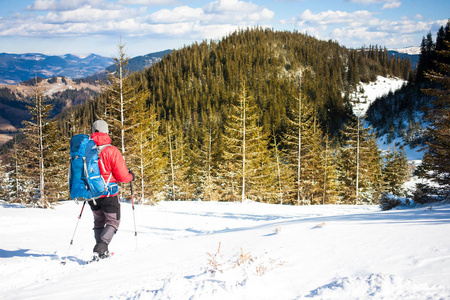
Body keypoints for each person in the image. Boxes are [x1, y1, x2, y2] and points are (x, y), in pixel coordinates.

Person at [89, 120, 134, 259]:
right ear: (106, 132)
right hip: (109, 193)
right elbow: (122, 176)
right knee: (113, 222)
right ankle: (101, 246)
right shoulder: (111, 150)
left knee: (99, 221)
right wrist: (131, 176)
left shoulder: (87, 151)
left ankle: (101, 251)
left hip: (92, 194)